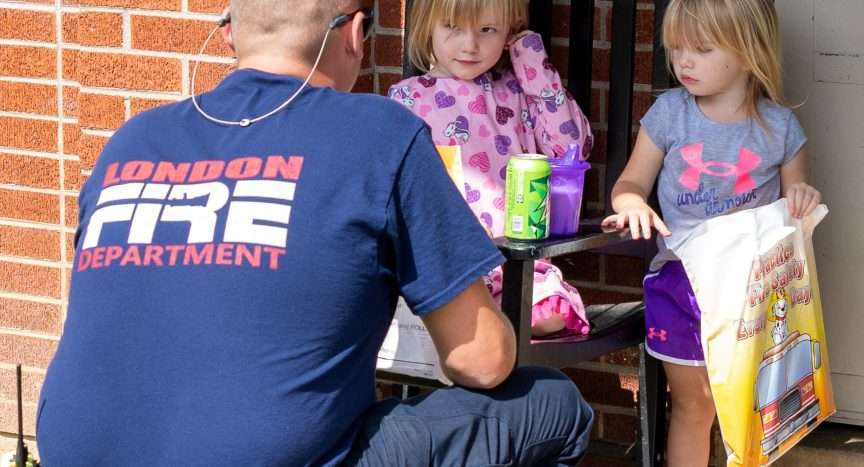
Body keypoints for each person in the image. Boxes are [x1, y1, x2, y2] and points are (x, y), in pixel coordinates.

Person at [36, 0, 593, 465]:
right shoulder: (381, 132)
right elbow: (481, 360)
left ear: (229, 33)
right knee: (552, 405)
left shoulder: (130, 142)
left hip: (75, 455)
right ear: (353, 33)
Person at [601, 0, 821, 465]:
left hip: (752, 291)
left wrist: (802, 197)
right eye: (676, 48)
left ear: (748, 51)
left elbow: (793, 216)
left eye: (701, 49)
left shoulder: (781, 129)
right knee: (695, 404)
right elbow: (630, 183)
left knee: (756, 406)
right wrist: (632, 203)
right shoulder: (669, 114)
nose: (683, 61)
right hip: (682, 281)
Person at [389, 0, 593, 337]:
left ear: (509, 32)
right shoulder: (407, 99)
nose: (470, 45)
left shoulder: (516, 93)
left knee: (548, 315)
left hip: (516, 266)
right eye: (453, 27)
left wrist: (532, 62)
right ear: (427, 26)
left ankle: (486, 331)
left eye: (488, 30)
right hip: (445, 268)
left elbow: (571, 147)